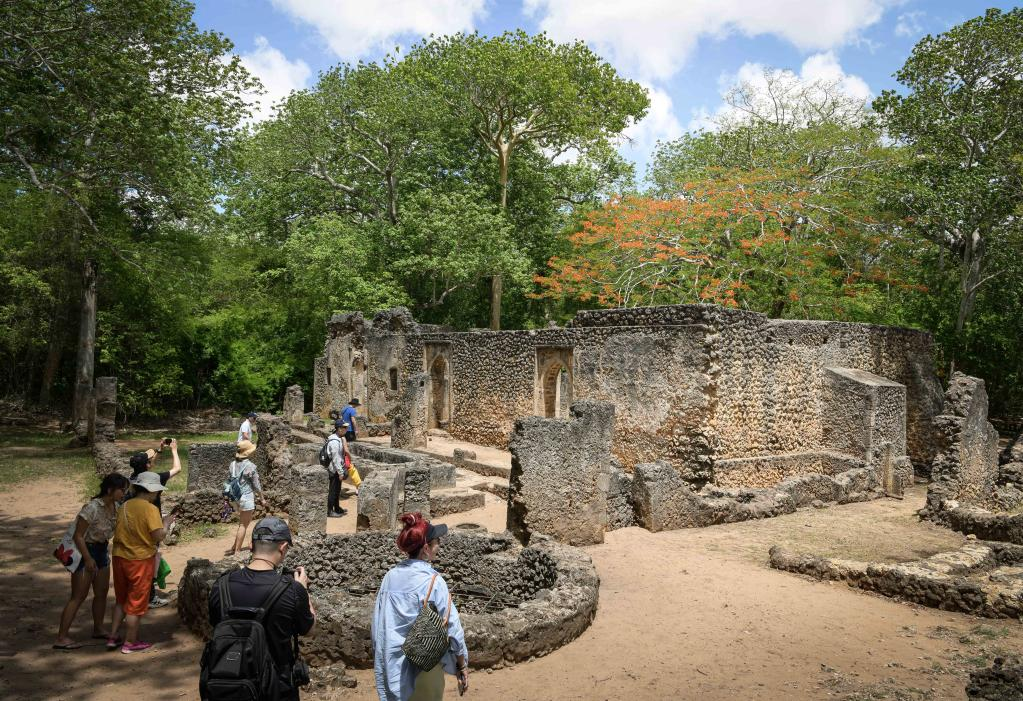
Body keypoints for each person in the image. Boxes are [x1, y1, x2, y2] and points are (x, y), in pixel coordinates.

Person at [208, 517, 315, 701]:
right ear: (282, 547)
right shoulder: (292, 590)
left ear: (251, 545)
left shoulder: (221, 585)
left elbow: (215, 623)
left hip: (228, 687)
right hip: (276, 688)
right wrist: (303, 590)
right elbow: (311, 629)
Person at [373, 513, 469, 701]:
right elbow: (453, 627)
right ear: (426, 549)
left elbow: (378, 623)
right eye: (436, 542)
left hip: (392, 665)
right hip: (423, 664)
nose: (439, 545)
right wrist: (461, 665)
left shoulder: (389, 577)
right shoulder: (434, 581)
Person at [54, 473, 130, 649]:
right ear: (110, 490)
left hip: (101, 551)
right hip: (85, 552)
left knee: (101, 593)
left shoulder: (116, 507)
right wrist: (88, 559)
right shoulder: (92, 508)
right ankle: (61, 637)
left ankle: (98, 628)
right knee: (78, 596)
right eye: (121, 489)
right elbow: (78, 536)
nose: (123, 493)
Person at [108, 471, 167, 653]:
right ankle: (130, 642)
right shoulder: (151, 509)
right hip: (140, 559)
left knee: (121, 600)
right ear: (151, 491)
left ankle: (113, 636)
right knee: (135, 604)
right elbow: (158, 535)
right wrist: (166, 525)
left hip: (119, 557)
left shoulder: (124, 506)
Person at [129, 439, 181, 608]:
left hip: (134, 526)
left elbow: (146, 467)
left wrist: (158, 451)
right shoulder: (157, 479)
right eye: (150, 460)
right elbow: (177, 469)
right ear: (148, 465)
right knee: (150, 559)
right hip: (152, 524)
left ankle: (137, 591)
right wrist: (174, 450)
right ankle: (149, 596)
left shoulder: (133, 480)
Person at [225, 439, 266, 556]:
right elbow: (257, 485)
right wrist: (262, 498)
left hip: (236, 497)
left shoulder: (232, 464)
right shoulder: (250, 466)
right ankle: (237, 551)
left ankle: (234, 546)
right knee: (244, 525)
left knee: (241, 524)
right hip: (246, 497)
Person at [325, 419, 349, 517]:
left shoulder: (338, 438)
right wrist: (340, 472)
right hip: (334, 469)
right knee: (333, 490)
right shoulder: (334, 442)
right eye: (344, 427)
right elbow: (336, 459)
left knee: (337, 489)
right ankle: (330, 511)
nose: (346, 429)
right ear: (339, 429)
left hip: (336, 468)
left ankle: (337, 508)